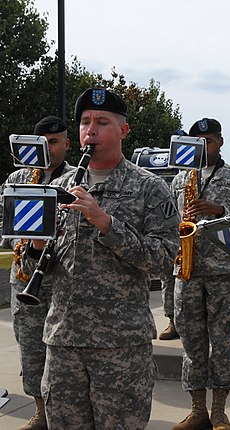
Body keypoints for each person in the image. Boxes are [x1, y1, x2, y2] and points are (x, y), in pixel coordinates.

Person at [23, 88, 180, 429]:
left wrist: (107, 224)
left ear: (123, 131)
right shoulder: (57, 188)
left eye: (102, 122)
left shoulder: (149, 188)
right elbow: (32, 273)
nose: (90, 130)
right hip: (63, 343)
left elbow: (165, 260)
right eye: (84, 122)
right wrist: (35, 249)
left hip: (120, 347)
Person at [171, 117, 230, 430]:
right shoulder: (181, 177)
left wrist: (219, 210)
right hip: (188, 271)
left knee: (222, 344)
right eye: (198, 141)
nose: (204, 146)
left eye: (209, 140)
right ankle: (197, 410)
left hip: (222, 271)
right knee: (192, 344)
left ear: (220, 142)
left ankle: (219, 411)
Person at [0, 115, 73, 430]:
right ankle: (42, 413)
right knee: (31, 353)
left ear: (67, 144)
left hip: (61, 283)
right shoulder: (16, 179)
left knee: (65, 357)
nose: (49, 149)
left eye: (55, 142)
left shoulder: (77, 179)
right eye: (43, 143)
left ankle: (67, 414)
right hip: (24, 280)